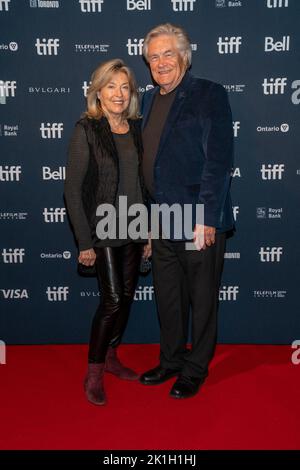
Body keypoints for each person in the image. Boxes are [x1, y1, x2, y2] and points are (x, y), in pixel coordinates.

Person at [139, 24, 235, 399]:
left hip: (197, 218)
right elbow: (152, 164)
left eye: (168, 54)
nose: (161, 63)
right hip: (162, 219)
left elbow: (219, 159)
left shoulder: (208, 94)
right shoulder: (147, 100)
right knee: (168, 296)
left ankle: (195, 369)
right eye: (153, 57)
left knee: (202, 297)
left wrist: (208, 217)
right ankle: (171, 360)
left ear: (184, 57)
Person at [64, 59, 148, 406]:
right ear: (98, 92)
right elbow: (72, 190)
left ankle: (112, 357)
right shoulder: (87, 128)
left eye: (124, 87)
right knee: (112, 299)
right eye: (111, 86)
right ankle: (95, 371)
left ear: (131, 94)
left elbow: (143, 186)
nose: (118, 93)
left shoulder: (137, 129)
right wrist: (85, 242)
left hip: (133, 225)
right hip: (103, 227)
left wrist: (147, 232)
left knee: (127, 296)